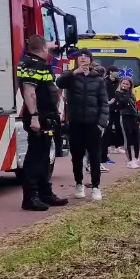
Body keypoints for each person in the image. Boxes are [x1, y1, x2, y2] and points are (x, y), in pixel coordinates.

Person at [16, 34, 68, 211]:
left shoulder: (32, 61)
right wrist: (35, 116)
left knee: (44, 157)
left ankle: (45, 193)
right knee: (35, 158)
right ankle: (30, 197)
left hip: (46, 117)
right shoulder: (32, 65)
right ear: (43, 48)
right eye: (47, 48)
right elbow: (30, 92)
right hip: (39, 118)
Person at [56, 49, 109, 201]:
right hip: (76, 123)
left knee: (95, 156)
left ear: (91, 60)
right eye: (81, 57)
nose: (83, 59)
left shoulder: (98, 79)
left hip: (93, 124)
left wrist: (101, 123)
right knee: (77, 156)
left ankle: (96, 186)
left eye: (86, 57)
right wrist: (74, 72)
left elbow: (104, 103)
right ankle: (79, 183)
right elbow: (60, 83)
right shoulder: (71, 77)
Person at [115, 77, 140, 168]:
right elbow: (123, 102)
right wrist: (127, 93)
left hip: (134, 117)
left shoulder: (132, 94)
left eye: (127, 84)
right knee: (128, 139)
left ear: (130, 85)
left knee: (137, 139)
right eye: (123, 83)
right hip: (125, 117)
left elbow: (136, 106)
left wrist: (139, 116)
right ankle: (130, 161)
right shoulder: (118, 93)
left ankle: (136, 157)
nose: (125, 85)